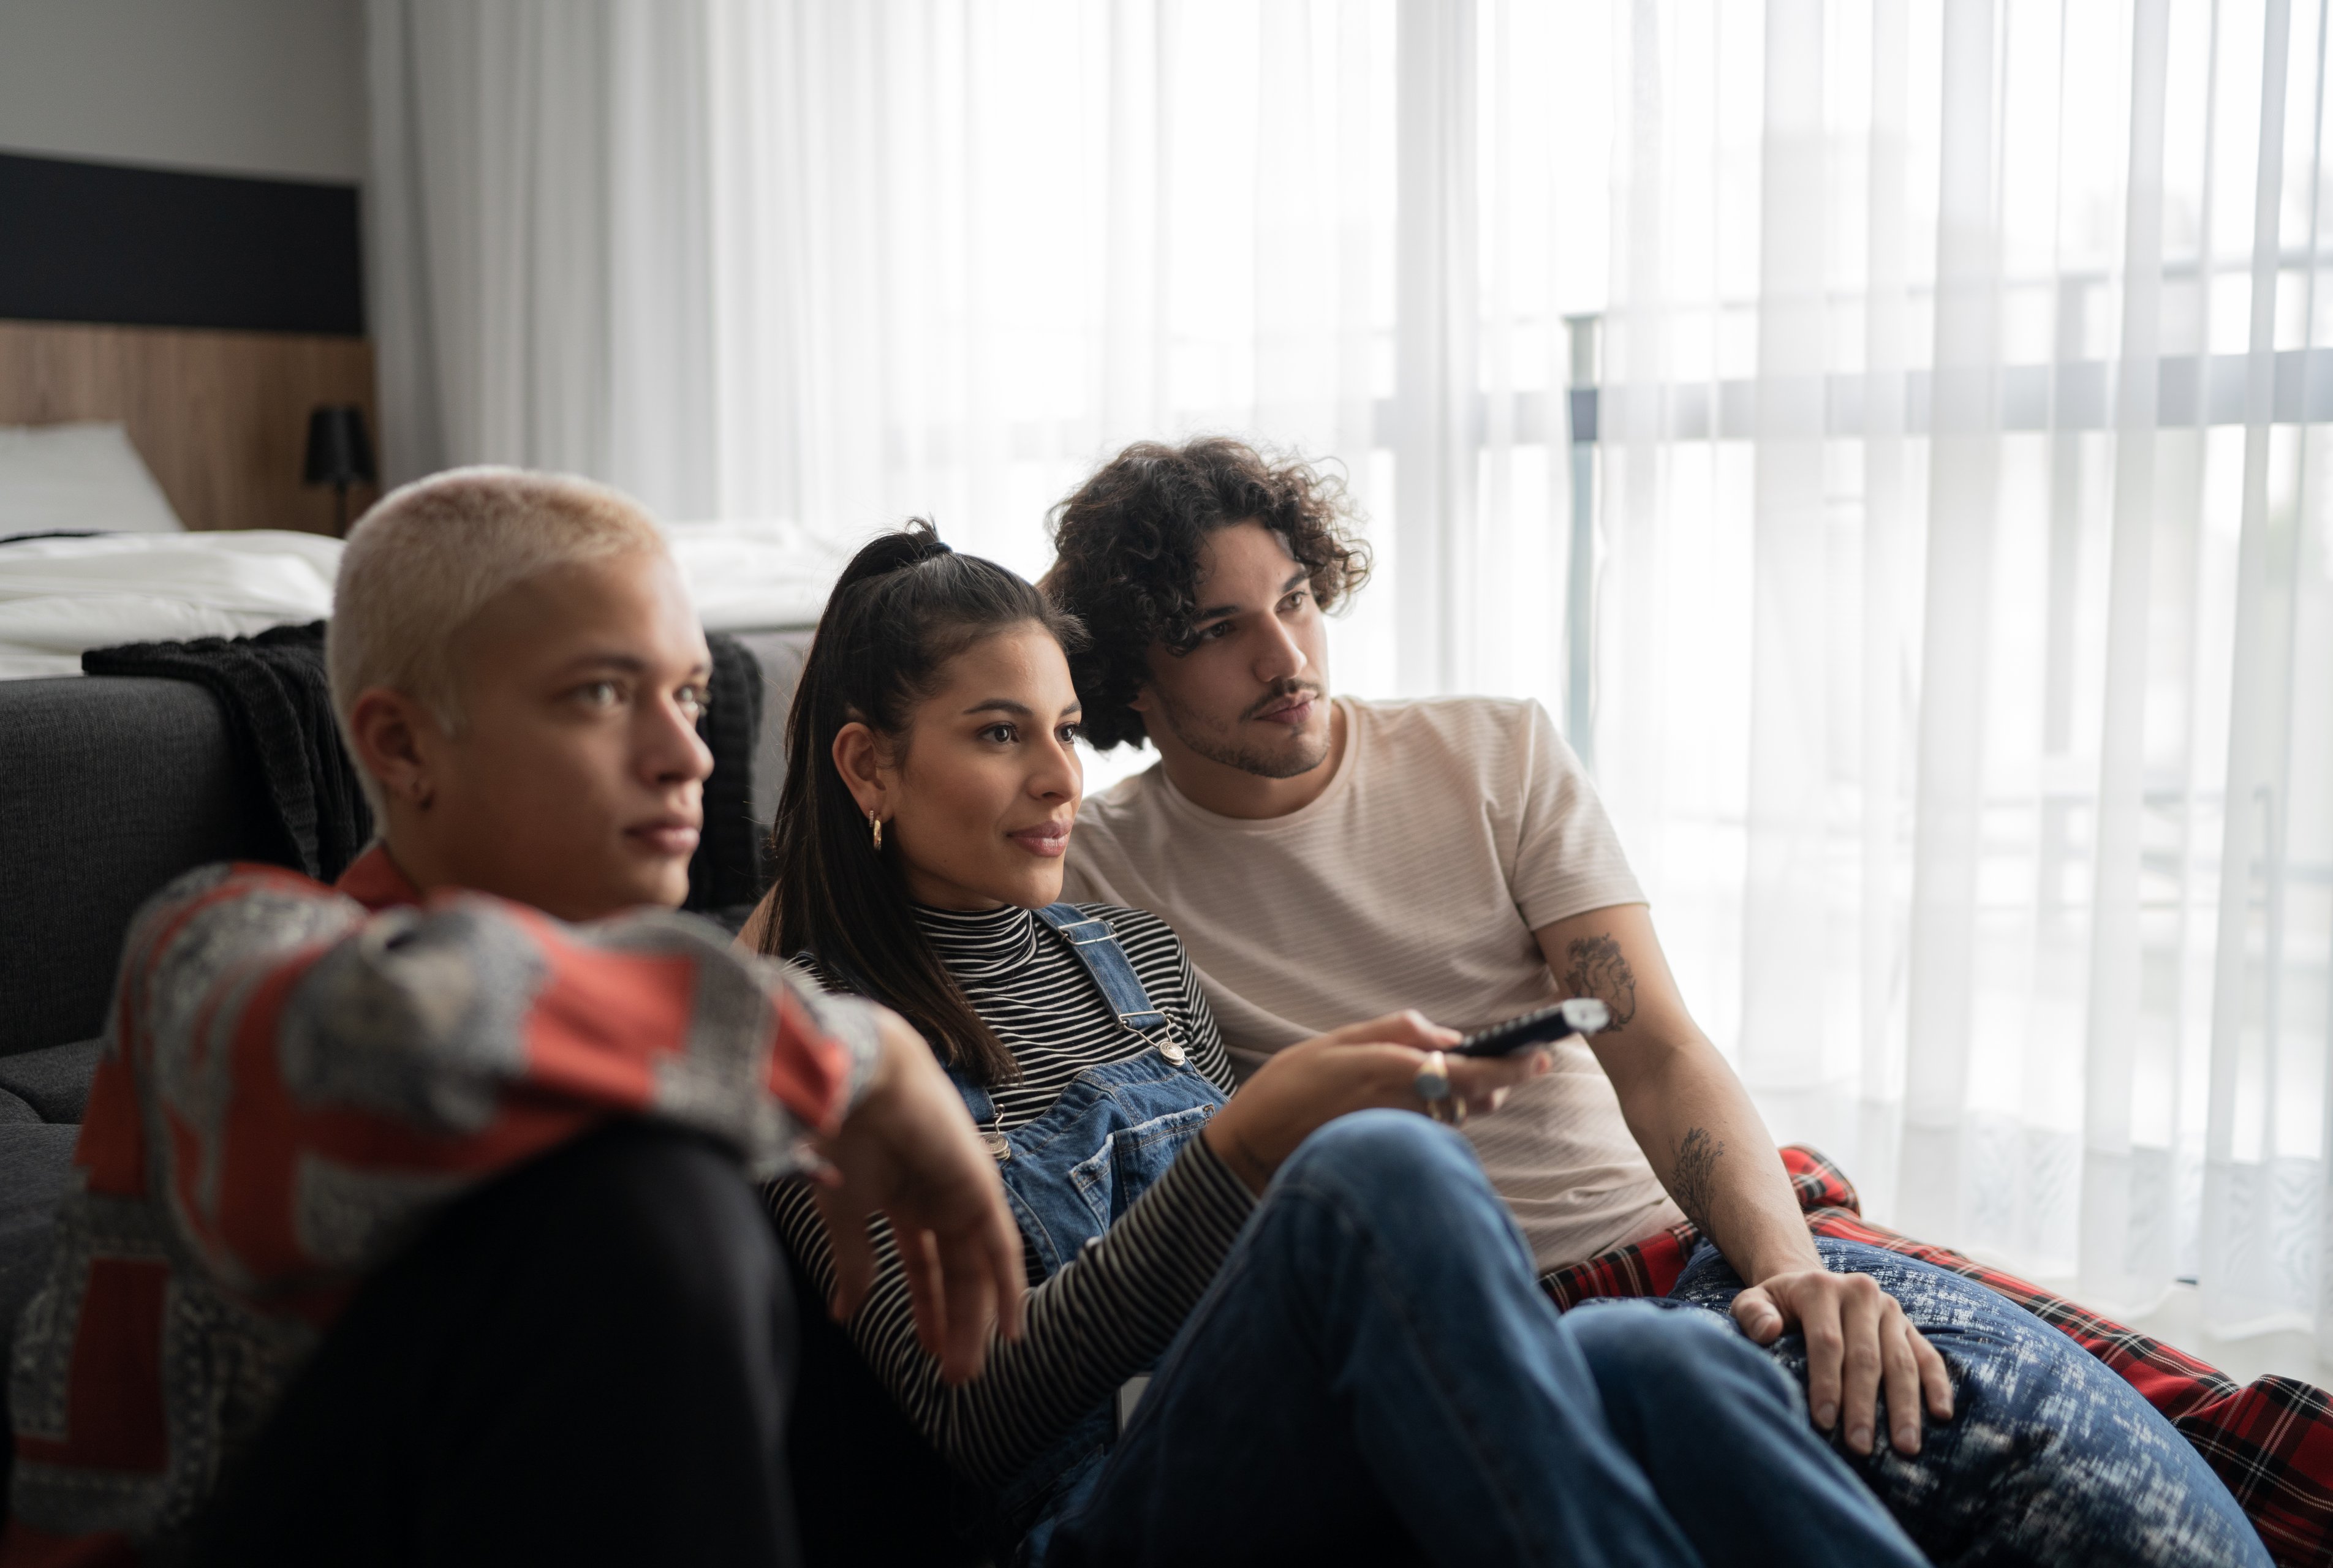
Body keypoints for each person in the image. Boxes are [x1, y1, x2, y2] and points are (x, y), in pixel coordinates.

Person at [1043, 436, 2272, 1567]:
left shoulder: (1491, 752)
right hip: (1464, 1326)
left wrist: (1787, 1270)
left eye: (1298, 597)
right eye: (1218, 629)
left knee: (2146, 1482)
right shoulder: (1091, 870)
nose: (1288, 655)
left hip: (1690, 1245)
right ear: (1129, 679)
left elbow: (1659, 1047)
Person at [738, 519, 1930, 1568]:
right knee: (1375, 1168)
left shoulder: (1128, 952)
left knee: (1662, 1356)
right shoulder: (806, 1037)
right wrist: (1255, 1137)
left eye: (1060, 727)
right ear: (867, 762)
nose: (1061, 776)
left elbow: (1251, 1286)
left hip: (1274, 1439)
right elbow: (978, 1410)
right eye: (1001, 734)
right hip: (1087, 1516)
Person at [0, 469, 1024, 1568]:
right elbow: (411, 1035)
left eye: (684, 693)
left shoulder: (643, 1009)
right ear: (400, 746)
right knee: (649, 1194)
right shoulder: (213, 948)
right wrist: (870, 1053)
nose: (690, 755)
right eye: (599, 694)